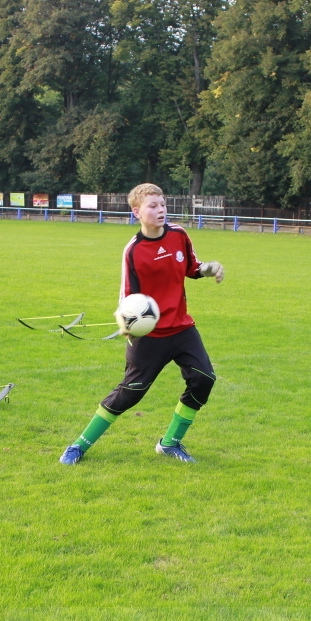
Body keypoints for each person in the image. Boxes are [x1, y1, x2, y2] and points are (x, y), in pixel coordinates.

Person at [60, 183, 226, 465]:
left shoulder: (178, 235)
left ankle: (170, 443)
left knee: (203, 379)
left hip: (182, 327)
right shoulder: (133, 250)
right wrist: (127, 325)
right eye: (153, 206)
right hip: (149, 335)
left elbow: (191, 267)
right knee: (131, 392)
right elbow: (127, 297)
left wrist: (207, 269)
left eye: (162, 204)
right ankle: (78, 445)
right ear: (136, 211)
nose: (160, 210)